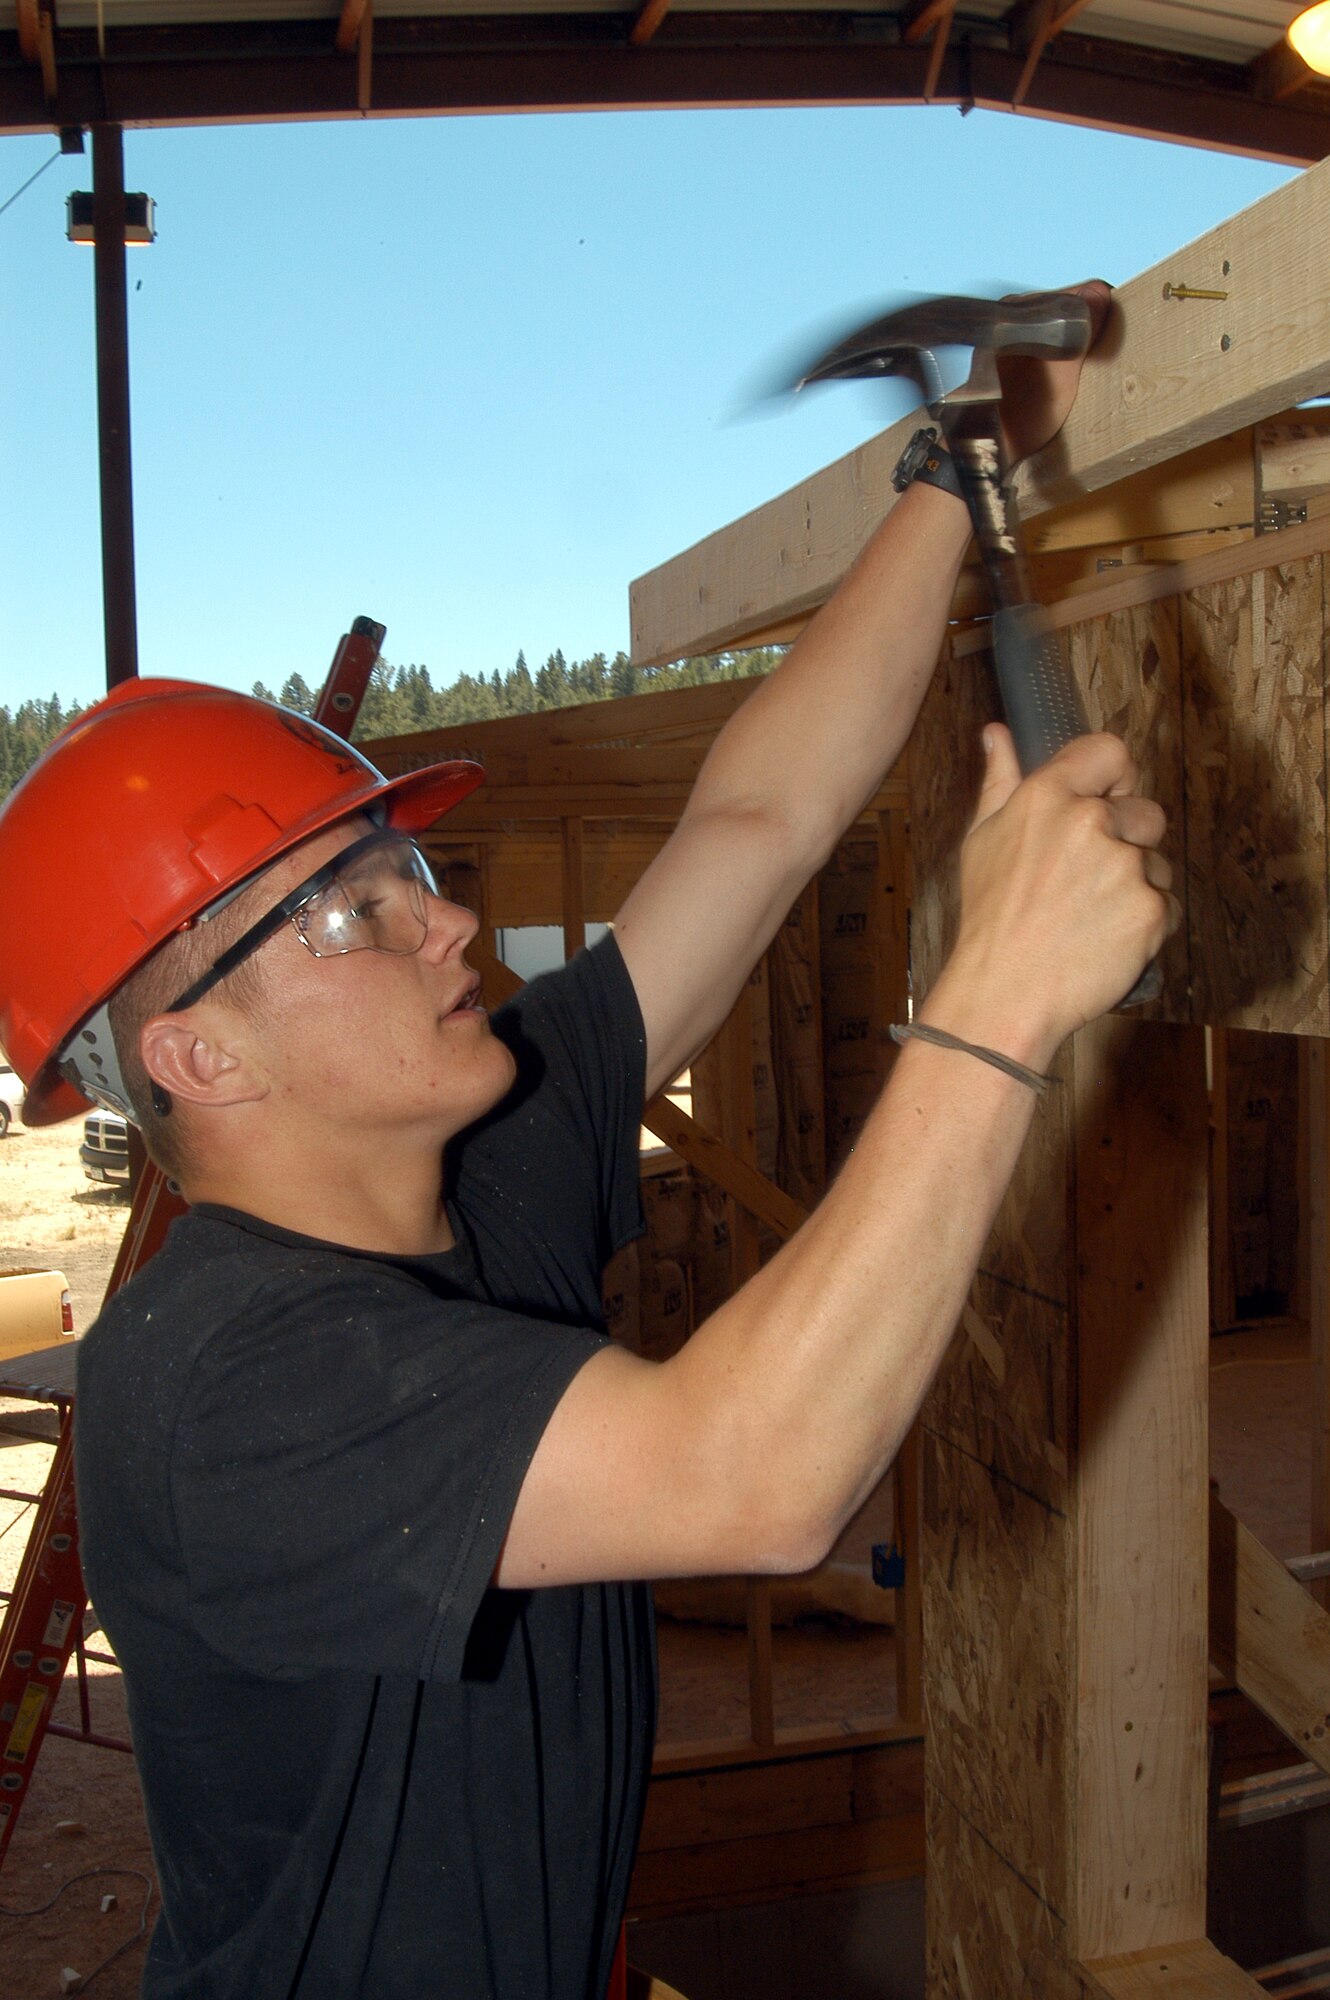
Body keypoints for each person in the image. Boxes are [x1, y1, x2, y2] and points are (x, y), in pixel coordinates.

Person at [0, 282, 1173, 2000]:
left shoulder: (469, 1162)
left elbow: (757, 823)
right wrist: (996, 992)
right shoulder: (223, 1387)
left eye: (412, 875)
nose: (448, 928)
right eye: (353, 912)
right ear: (196, 1052)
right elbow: (757, 1478)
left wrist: (953, 469)